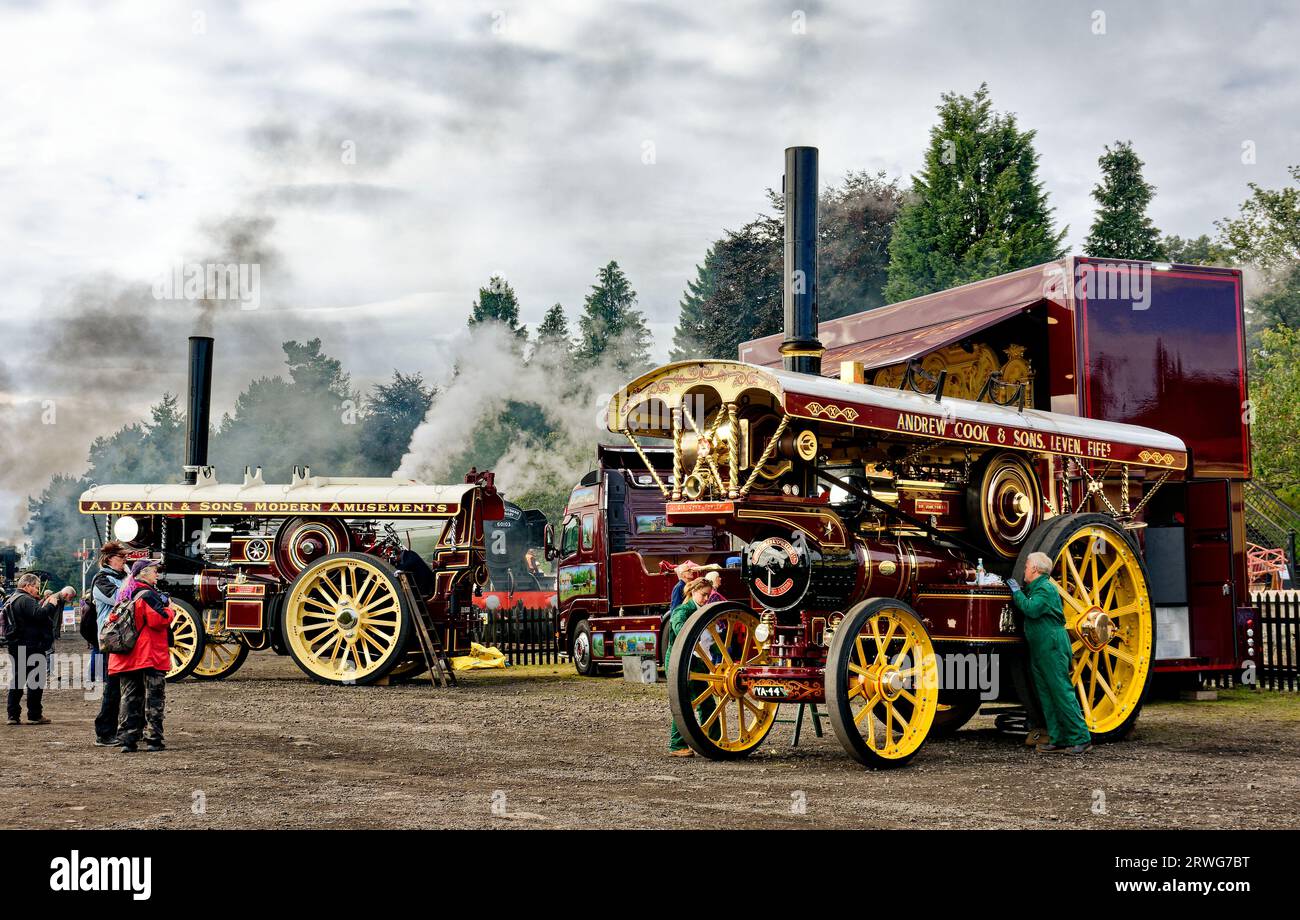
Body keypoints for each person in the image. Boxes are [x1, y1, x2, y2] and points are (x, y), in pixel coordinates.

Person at [1008, 551, 1092, 755]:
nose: (1025, 570)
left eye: (1027, 566)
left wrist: (1016, 592)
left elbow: (1032, 609)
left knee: (1061, 692)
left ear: (1035, 569)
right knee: (1047, 694)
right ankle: (1058, 738)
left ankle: (1081, 737)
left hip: (1051, 645)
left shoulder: (1045, 588)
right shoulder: (1038, 587)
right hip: (1041, 646)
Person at [108, 559, 172, 753]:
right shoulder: (149, 595)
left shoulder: (124, 594)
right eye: (154, 571)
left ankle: (128, 740)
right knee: (154, 698)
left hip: (126, 655)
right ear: (143, 573)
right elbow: (158, 620)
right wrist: (170, 609)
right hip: (149, 653)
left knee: (129, 698)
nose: (157, 575)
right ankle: (154, 739)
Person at [665, 576, 714, 757]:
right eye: (704, 595)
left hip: (698, 660)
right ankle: (677, 746)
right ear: (693, 592)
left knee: (707, 702)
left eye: (709, 595)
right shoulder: (682, 611)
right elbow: (681, 630)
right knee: (684, 702)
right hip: (680, 661)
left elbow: (712, 639)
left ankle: (714, 740)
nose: (707, 599)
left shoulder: (703, 611)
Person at [4, 573, 57, 725]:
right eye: (36, 587)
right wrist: (50, 604)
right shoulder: (25, 599)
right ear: (27, 586)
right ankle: (34, 714)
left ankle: (12, 715)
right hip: (31, 645)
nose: (37, 591)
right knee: (35, 681)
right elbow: (39, 615)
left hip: (16, 645)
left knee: (18, 680)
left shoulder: (12, 598)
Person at [90, 541, 129, 746]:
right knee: (112, 688)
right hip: (111, 639)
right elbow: (119, 598)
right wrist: (133, 580)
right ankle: (104, 732)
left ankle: (129, 729)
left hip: (125, 638)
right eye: (121, 557)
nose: (124, 561)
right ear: (109, 559)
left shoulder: (121, 577)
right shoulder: (102, 580)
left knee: (130, 686)